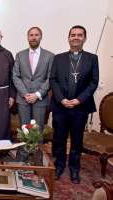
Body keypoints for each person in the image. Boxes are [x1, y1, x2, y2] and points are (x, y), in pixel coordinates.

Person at [50, 25, 99, 184]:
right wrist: (61, 99)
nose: (76, 37)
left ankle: (74, 169)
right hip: (60, 106)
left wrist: (79, 100)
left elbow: (93, 82)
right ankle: (58, 165)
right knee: (59, 139)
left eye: (79, 35)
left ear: (84, 38)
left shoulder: (92, 58)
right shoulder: (58, 58)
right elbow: (53, 80)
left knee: (77, 140)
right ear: (68, 38)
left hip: (81, 107)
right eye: (73, 35)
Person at [13, 27, 54, 134]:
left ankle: (37, 151)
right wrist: (25, 94)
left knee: (38, 130)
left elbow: (50, 78)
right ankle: (24, 151)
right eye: (31, 35)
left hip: (40, 99)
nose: (34, 37)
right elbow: (15, 76)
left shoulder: (50, 56)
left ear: (41, 37)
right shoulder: (20, 55)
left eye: (36, 35)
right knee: (24, 129)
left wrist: (37, 94)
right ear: (27, 37)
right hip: (23, 99)